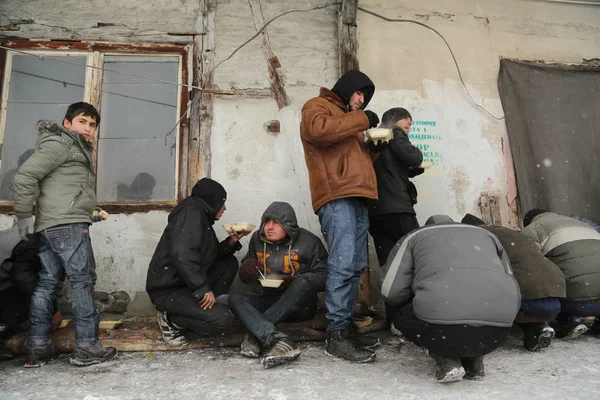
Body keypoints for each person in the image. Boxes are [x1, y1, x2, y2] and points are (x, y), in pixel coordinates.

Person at [13, 102, 116, 367]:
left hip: (54, 224)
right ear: (67, 123)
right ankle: (86, 346)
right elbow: (25, 176)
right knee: (83, 281)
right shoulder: (61, 144)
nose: (88, 128)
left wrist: (86, 210)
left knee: (48, 282)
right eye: (83, 121)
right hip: (66, 226)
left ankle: (38, 346)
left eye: (93, 125)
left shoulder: (73, 147)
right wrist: (23, 214)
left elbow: (62, 190)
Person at [300, 69, 382, 363]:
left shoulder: (348, 123)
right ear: (347, 89)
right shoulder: (317, 106)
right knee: (343, 262)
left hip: (357, 197)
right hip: (337, 197)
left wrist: (374, 149)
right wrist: (363, 120)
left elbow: (353, 159)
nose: (362, 100)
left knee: (356, 265)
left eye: (365, 97)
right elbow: (318, 131)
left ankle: (345, 328)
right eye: (359, 93)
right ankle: (336, 334)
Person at [381, 215, 520, 383]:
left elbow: (391, 292)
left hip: (442, 332)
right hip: (496, 334)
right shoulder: (487, 235)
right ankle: (474, 360)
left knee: (399, 311)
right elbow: (513, 286)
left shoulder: (414, 237)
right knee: (472, 311)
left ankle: (444, 358)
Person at [146, 178, 250, 346]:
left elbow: (212, 255)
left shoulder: (200, 215)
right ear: (212, 201)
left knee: (228, 263)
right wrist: (202, 288)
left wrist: (232, 241)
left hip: (186, 285)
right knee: (223, 321)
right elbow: (183, 253)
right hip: (168, 291)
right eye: (222, 202)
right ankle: (171, 320)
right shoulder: (191, 214)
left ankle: (205, 310)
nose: (224, 208)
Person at [228, 201, 328, 368]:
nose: (269, 227)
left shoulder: (309, 242)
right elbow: (244, 277)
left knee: (303, 282)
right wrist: (246, 268)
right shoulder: (257, 240)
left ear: (289, 226)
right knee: (235, 298)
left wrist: (295, 281)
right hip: (268, 299)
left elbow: (326, 276)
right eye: (267, 222)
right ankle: (275, 339)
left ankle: (255, 335)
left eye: (276, 223)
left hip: (300, 306)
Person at [461, 213, 566, 351]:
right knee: (526, 297)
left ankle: (488, 336)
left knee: (493, 296)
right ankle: (540, 325)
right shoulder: (511, 232)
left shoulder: (477, 238)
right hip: (555, 301)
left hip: (526, 300)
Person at [522, 209, 600, 339]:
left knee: (540, 283)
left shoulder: (532, 229)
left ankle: (567, 321)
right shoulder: (582, 223)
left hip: (574, 303)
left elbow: (530, 267)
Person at [368, 107, 423, 267]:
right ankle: (415, 292)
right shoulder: (394, 132)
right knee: (414, 258)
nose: (409, 128)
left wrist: (409, 172)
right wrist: (418, 157)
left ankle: (392, 291)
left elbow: (387, 170)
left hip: (376, 212)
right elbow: (413, 156)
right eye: (407, 124)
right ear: (395, 120)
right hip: (398, 210)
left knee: (389, 263)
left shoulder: (375, 141)